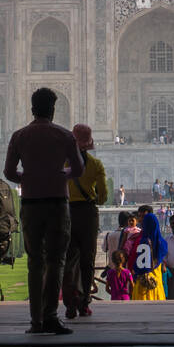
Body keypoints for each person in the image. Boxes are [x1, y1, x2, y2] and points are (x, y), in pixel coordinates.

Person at [3, 86, 84, 335]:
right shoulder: (64, 136)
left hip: (31, 204)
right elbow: (78, 169)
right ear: (53, 109)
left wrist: (28, 178)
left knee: (35, 263)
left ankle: (36, 321)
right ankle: (50, 316)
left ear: (32, 108)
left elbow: (8, 172)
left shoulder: (20, 136)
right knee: (56, 260)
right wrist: (61, 174)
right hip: (57, 202)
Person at [61, 123, 107, 319]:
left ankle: (70, 304)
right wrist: (93, 196)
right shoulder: (96, 165)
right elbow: (103, 197)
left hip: (68, 212)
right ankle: (84, 303)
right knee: (87, 261)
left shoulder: (62, 163)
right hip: (88, 214)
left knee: (69, 261)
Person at [127, 206, 168, 300]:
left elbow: (139, 266)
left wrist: (134, 270)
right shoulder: (162, 243)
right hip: (156, 283)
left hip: (144, 284)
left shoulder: (143, 240)